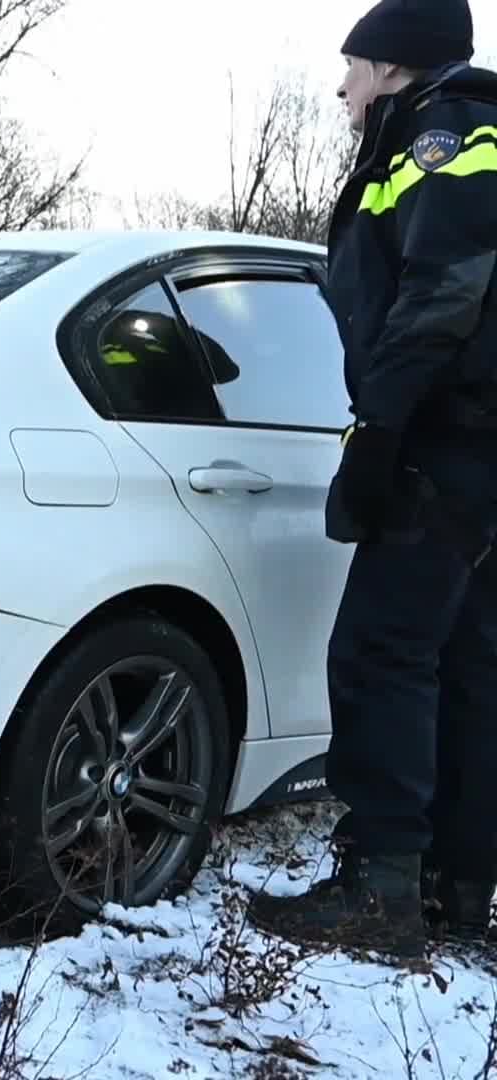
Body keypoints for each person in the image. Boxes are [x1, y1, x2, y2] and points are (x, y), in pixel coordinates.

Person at [246, 0, 497, 960]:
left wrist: (380, 430)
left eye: (352, 67)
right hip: (479, 450)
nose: (341, 87)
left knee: (381, 653)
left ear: (393, 68)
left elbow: (443, 292)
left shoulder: (443, 135)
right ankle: (457, 892)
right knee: (466, 666)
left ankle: (379, 890)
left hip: (449, 440)